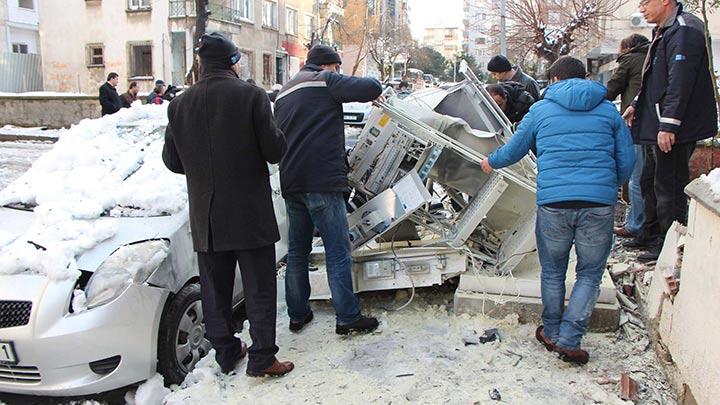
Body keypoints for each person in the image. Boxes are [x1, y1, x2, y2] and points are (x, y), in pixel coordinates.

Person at [480, 56, 635, 365]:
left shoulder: (540, 110)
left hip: (554, 203)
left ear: (553, 81)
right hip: (599, 204)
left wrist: (490, 161)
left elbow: (515, 149)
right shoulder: (608, 111)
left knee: (552, 271)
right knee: (589, 274)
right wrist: (606, 185)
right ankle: (570, 338)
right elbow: (627, 162)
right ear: (586, 77)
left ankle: (551, 331)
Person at [162, 32, 293, 377]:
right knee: (259, 289)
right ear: (233, 63)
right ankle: (263, 358)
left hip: (207, 217)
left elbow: (173, 162)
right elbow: (274, 151)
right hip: (249, 215)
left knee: (215, 290)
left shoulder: (178, 105)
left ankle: (226, 351)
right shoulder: (251, 96)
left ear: (202, 65)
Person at [274, 44, 382, 336]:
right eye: (336, 68)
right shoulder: (324, 80)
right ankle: (348, 317)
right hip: (321, 180)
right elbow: (372, 87)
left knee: (298, 251)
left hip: (292, 181)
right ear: (328, 66)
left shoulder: (285, 91)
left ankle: (298, 314)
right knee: (337, 250)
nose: (337, 73)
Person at [622, 0, 718, 262]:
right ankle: (650, 236)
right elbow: (656, 78)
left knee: (669, 187)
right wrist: (635, 104)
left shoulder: (686, 29)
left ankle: (670, 245)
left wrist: (669, 124)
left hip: (676, 127)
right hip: (656, 120)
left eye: (645, 2)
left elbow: (680, 81)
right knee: (649, 180)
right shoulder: (664, 29)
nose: (641, 8)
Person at [605, 34, 650, 239]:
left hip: (635, 122)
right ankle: (642, 221)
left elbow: (611, 89)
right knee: (648, 176)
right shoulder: (652, 56)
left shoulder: (630, 60)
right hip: (655, 122)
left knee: (636, 176)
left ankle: (636, 225)